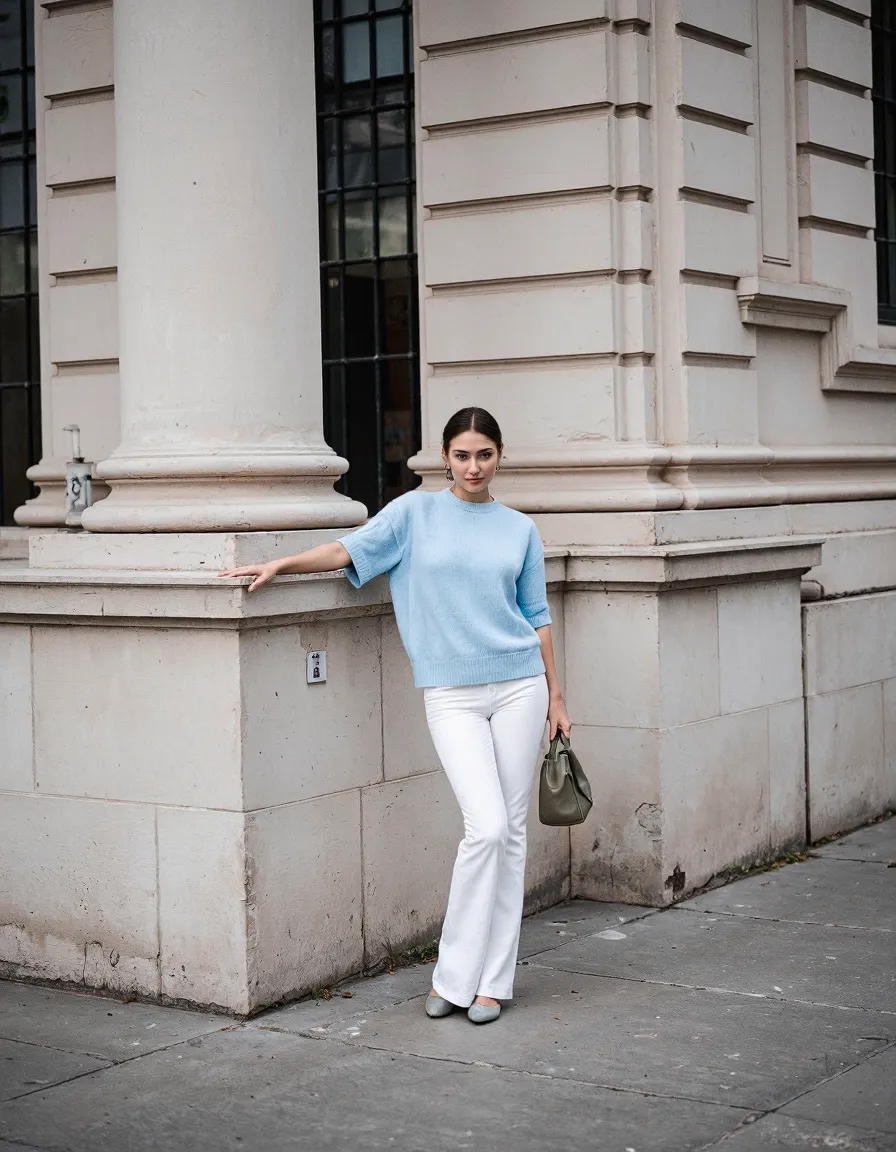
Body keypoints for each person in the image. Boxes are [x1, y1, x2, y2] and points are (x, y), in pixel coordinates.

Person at [218, 407, 572, 1024]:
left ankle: (492, 983)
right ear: (444, 457)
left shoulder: (519, 528)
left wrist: (557, 697)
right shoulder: (413, 514)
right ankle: (453, 977)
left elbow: (536, 615)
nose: (473, 467)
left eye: (484, 455)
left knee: (511, 835)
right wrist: (280, 564)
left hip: (521, 686)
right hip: (451, 694)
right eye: (461, 455)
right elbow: (346, 550)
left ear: (499, 456)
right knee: (486, 827)